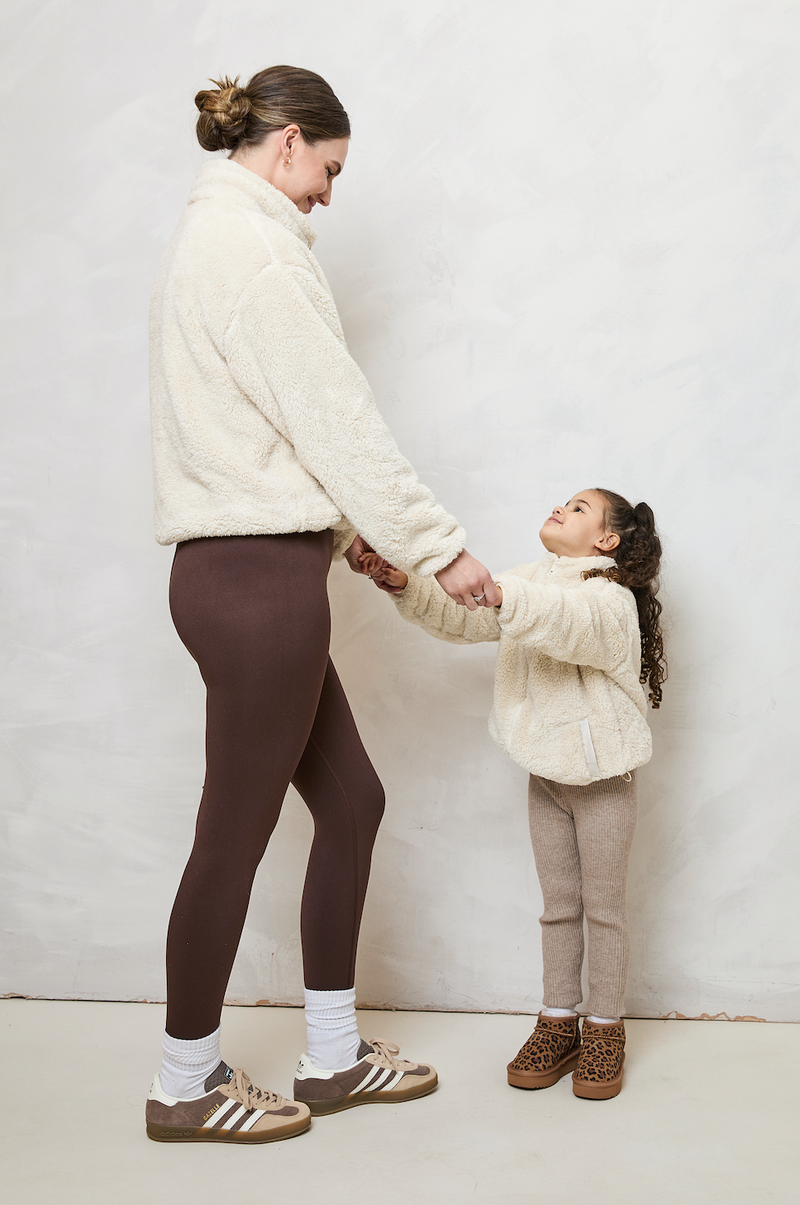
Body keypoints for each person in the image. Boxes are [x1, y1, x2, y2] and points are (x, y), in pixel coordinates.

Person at [145, 64, 500, 1144]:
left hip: (255, 572)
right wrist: (434, 546)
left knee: (350, 804)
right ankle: (182, 1082)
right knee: (232, 836)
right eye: (328, 170)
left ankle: (334, 1057)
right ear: (289, 142)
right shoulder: (254, 251)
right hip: (254, 586)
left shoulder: (218, 241)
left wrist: (352, 544)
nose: (329, 197)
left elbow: (274, 433)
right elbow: (338, 420)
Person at [364, 488, 666, 1100]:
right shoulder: (530, 581)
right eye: (564, 501)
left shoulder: (608, 599)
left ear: (607, 540)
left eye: (579, 509)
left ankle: (605, 1024)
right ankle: (558, 1018)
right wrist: (404, 583)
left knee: (603, 909)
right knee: (557, 907)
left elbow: (565, 622)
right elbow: (465, 616)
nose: (561, 508)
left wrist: (504, 595)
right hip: (547, 774)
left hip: (604, 777)